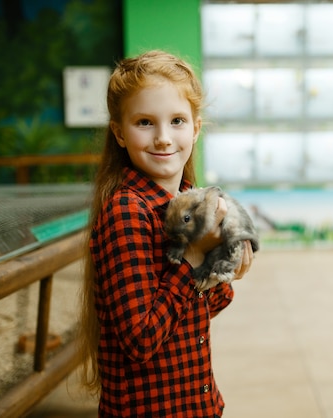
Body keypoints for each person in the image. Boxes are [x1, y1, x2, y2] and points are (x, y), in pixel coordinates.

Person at [78, 49, 254, 417]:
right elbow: (141, 341)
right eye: (145, 122)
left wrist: (222, 268)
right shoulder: (127, 212)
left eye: (177, 120)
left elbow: (204, 310)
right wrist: (192, 258)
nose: (163, 138)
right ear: (119, 133)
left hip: (197, 404)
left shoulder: (188, 203)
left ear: (196, 128)